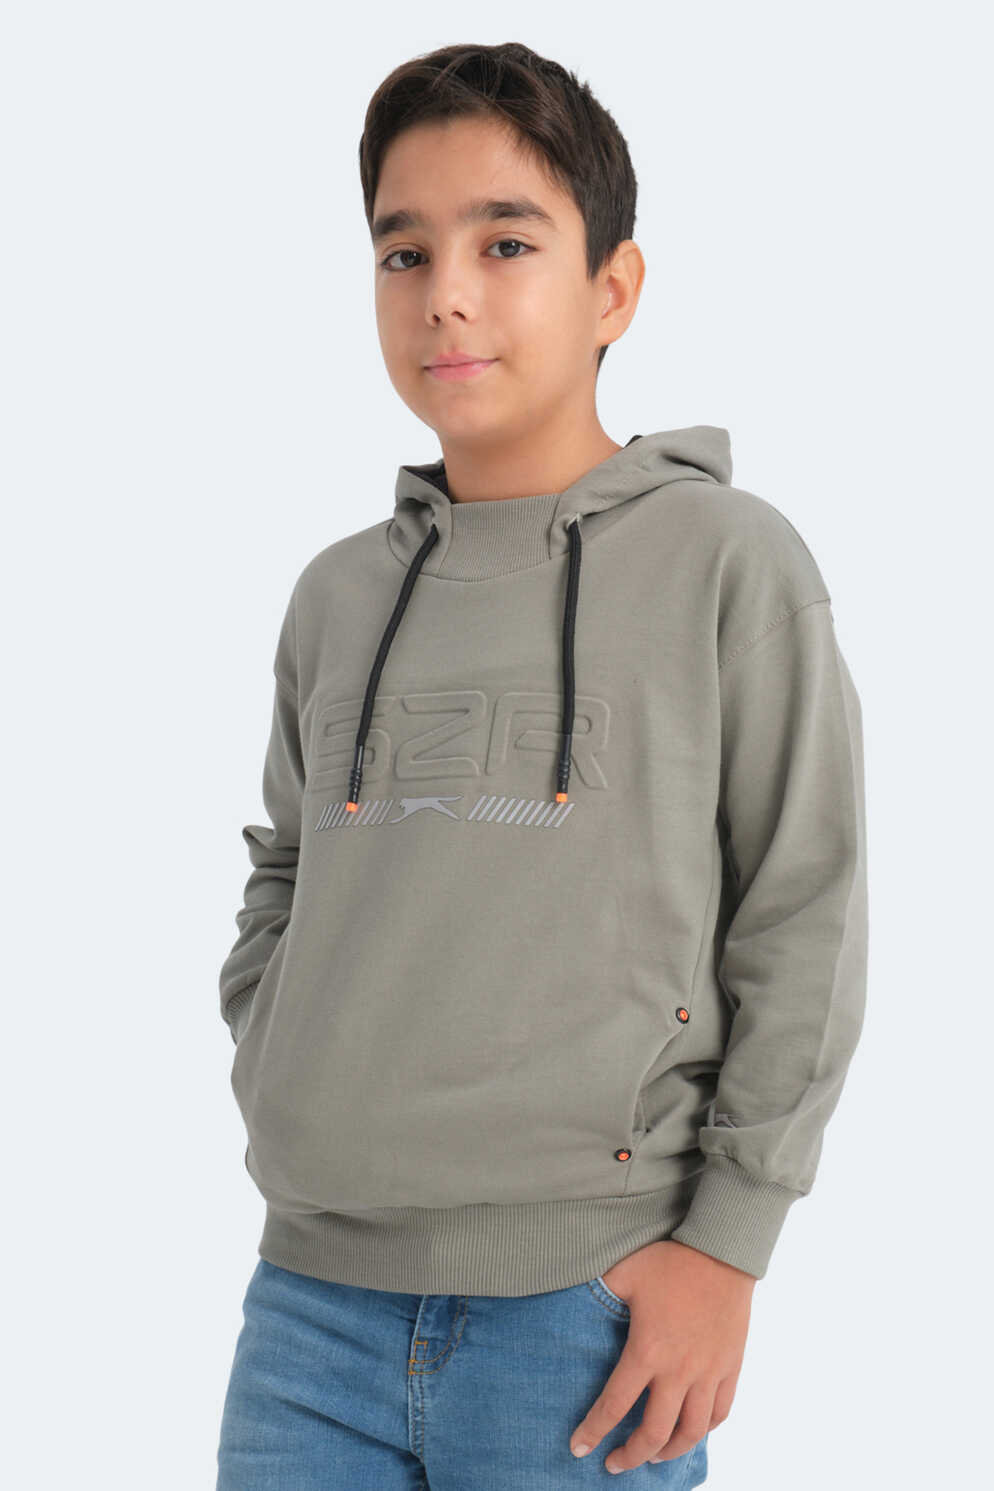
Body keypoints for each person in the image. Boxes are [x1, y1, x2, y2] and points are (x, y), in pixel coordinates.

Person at [214, 40, 868, 1490]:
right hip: (306, 1311)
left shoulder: (727, 561)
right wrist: (283, 1058)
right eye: (403, 251)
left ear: (612, 289)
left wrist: (727, 1249)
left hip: (586, 1312)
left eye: (504, 243)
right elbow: (286, 871)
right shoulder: (337, 594)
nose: (444, 292)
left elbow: (801, 908)